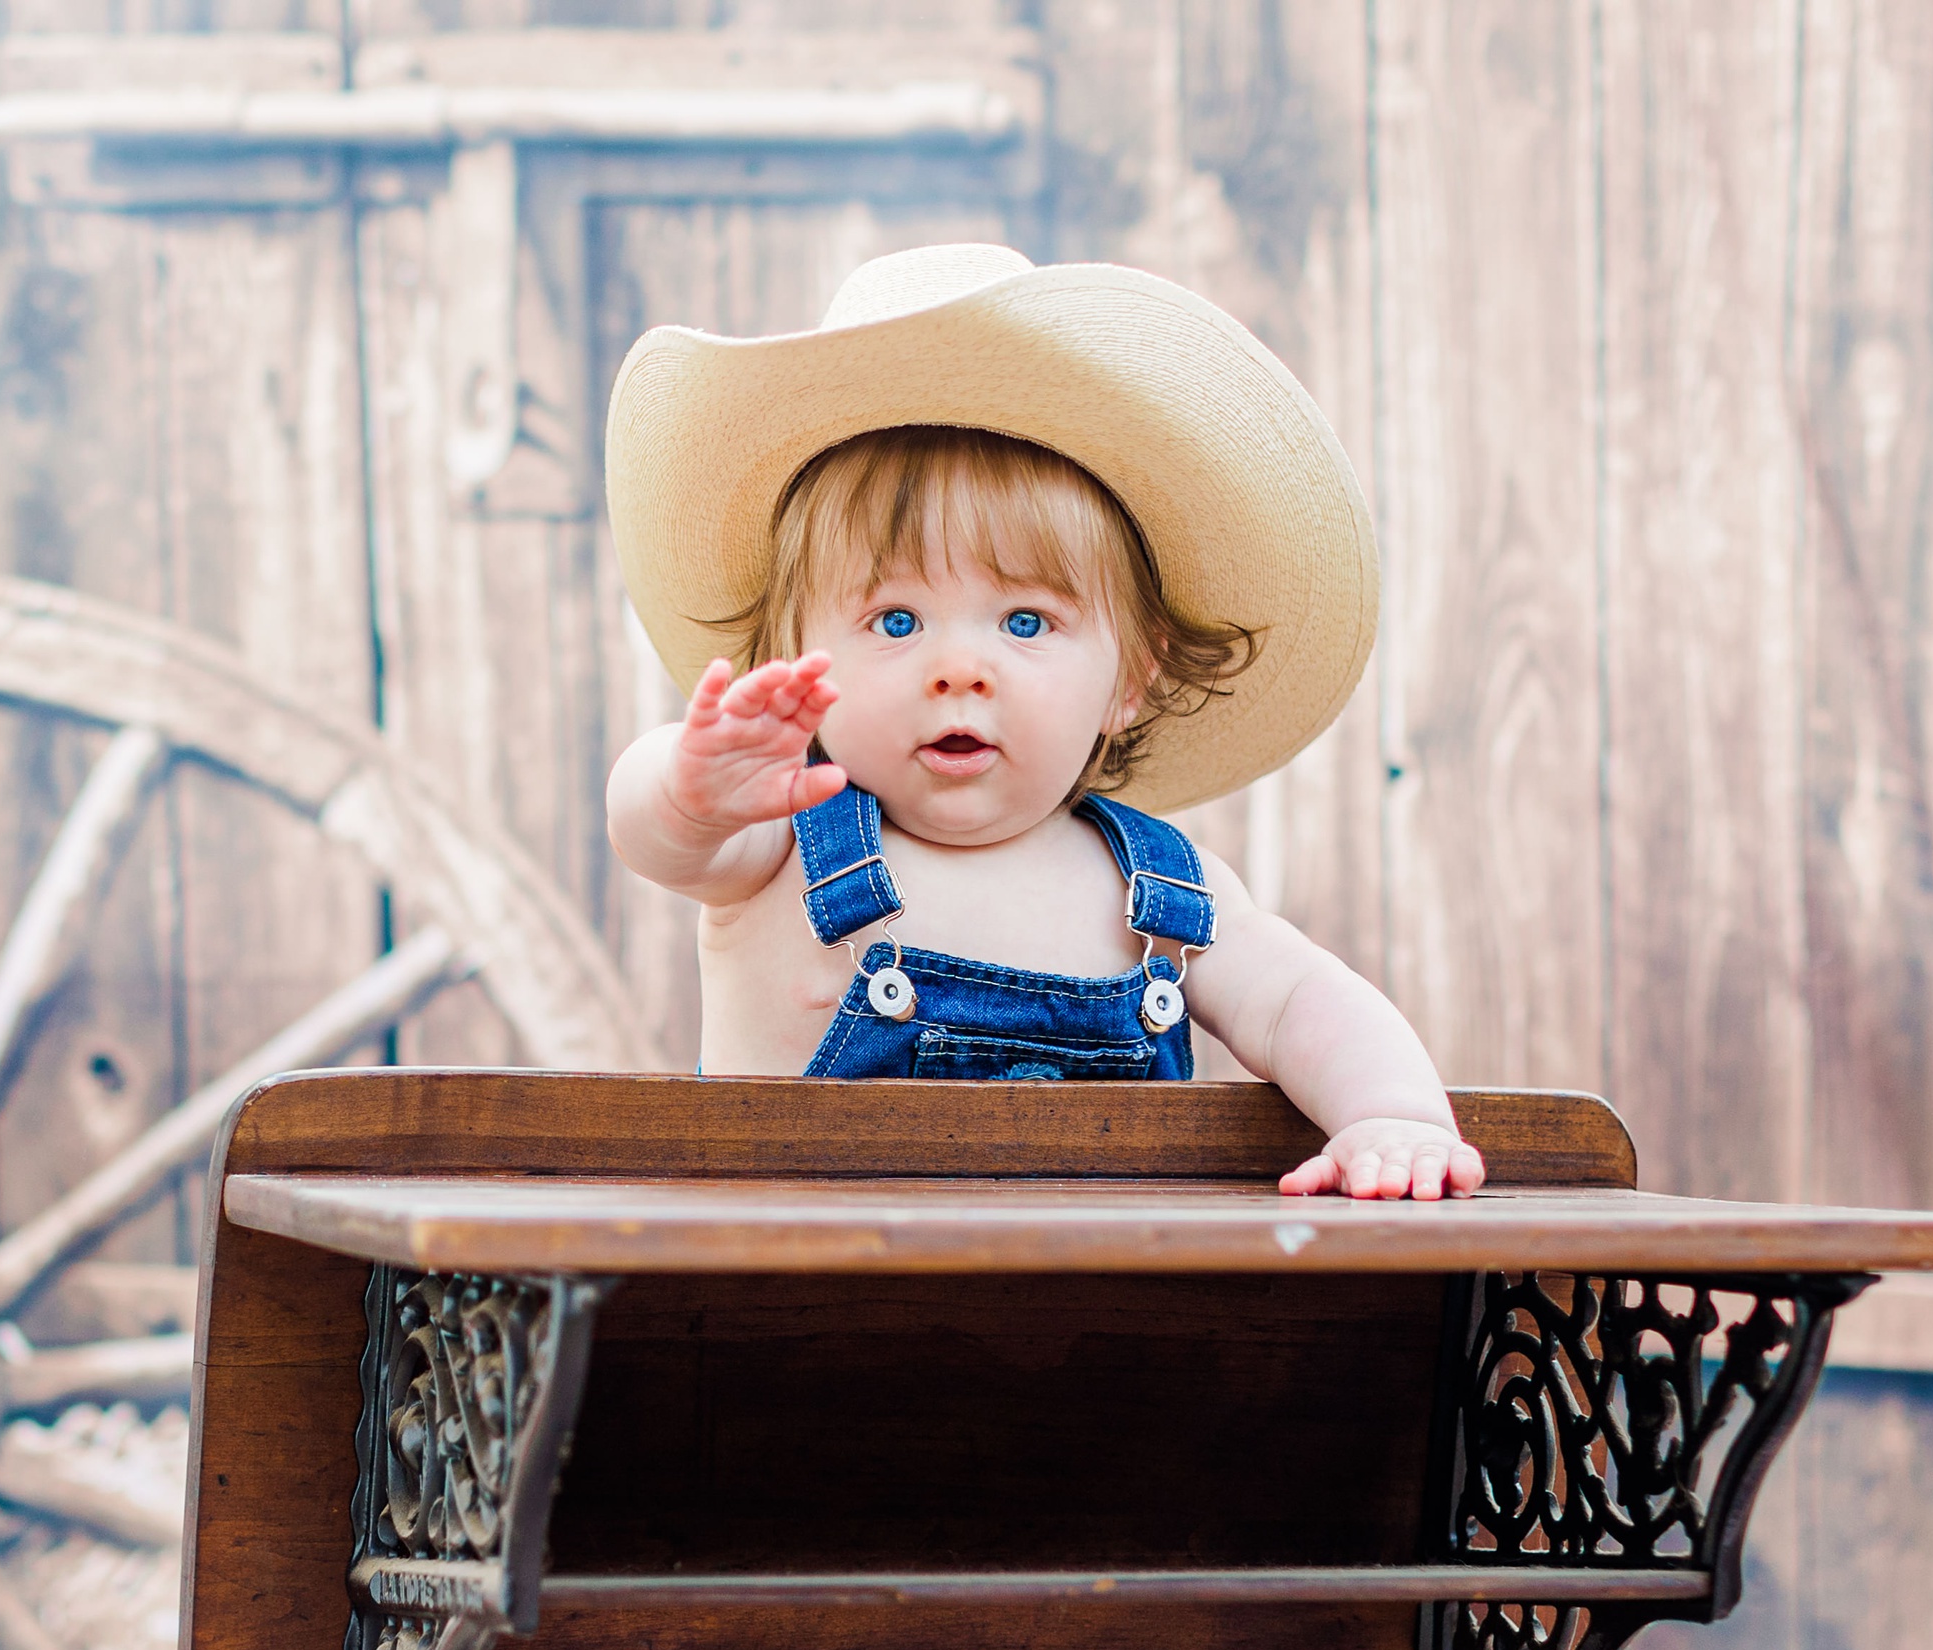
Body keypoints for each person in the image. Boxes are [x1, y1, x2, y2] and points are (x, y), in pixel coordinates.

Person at [602, 244, 1483, 1201]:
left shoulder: (1162, 893)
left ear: (1129, 683)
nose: (958, 670)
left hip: (1099, 1331)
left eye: (1026, 622)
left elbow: (1304, 1001)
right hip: (796, 1325)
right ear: (793, 659)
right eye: (895, 621)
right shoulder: (773, 850)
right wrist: (690, 791)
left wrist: (1392, 1113)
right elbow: (662, 839)